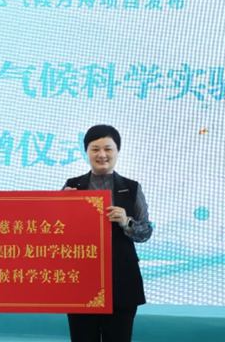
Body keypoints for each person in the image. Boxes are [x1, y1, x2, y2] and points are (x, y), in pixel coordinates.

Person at [64, 124, 152, 342]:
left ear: (117, 151)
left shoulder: (131, 188)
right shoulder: (72, 187)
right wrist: (61, 206)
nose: (101, 155)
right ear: (86, 152)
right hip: (81, 280)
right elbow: (57, 232)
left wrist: (126, 221)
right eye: (95, 149)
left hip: (122, 281)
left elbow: (145, 232)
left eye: (108, 149)